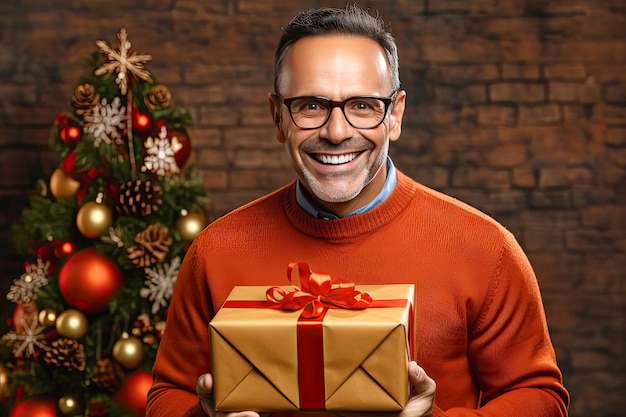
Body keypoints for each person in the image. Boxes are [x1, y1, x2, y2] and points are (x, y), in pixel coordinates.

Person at [146, 5, 569, 417]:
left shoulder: (485, 250)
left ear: (396, 115)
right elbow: (169, 393)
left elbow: (540, 398)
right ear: (278, 117)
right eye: (310, 105)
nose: (336, 131)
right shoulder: (216, 251)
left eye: (363, 106)